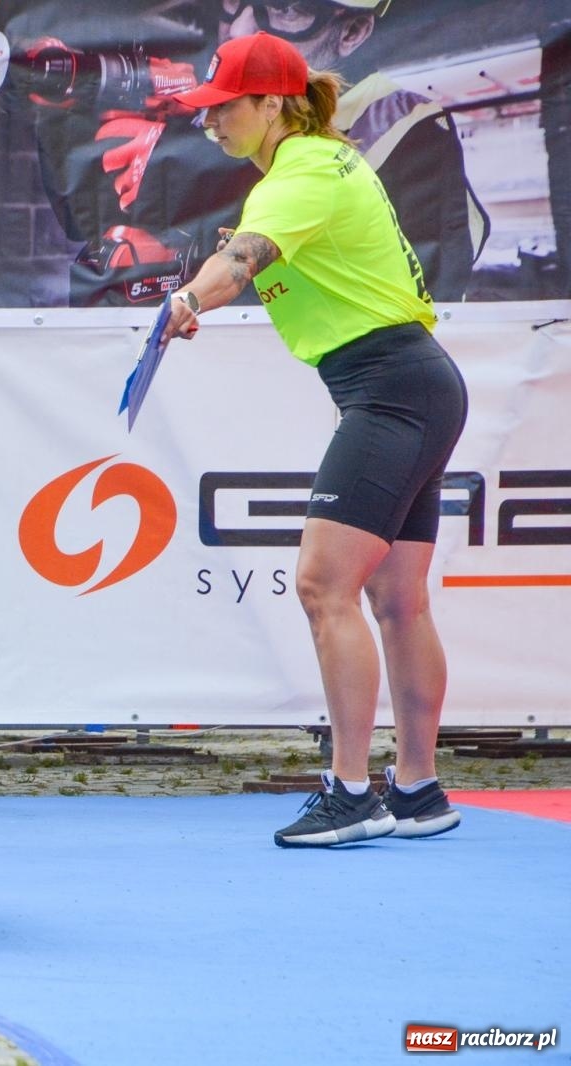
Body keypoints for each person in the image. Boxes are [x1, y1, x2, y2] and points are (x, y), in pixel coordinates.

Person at [163, 32, 468, 847]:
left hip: (392, 389)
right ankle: (417, 790)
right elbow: (258, 260)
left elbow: (246, 257)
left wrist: (188, 300)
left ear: (272, 105)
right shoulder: (322, 164)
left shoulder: (298, 173)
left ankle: (353, 792)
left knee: (323, 588)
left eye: (225, 108)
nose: (214, 124)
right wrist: (203, 296)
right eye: (208, 111)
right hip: (416, 384)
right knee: (396, 601)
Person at [217, 0, 487, 301]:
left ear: (353, 32)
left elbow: (438, 271)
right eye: (234, 2)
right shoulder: (214, 126)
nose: (239, 29)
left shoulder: (405, 126)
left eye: (285, 9)